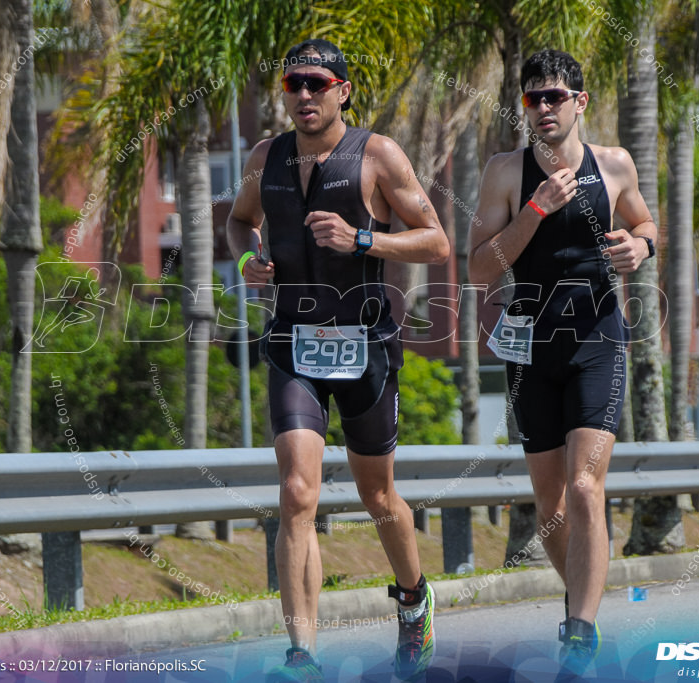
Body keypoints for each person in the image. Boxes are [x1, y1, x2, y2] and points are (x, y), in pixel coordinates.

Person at [226, 38, 449, 683]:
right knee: (298, 492)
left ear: (342, 90)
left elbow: (435, 241)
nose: (303, 95)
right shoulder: (264, 157)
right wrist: (248, 262)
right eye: (293, 84)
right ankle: (302, 654)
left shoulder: (376, 156)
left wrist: (362, 239)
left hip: (367, 343)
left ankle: (413, 599)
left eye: (316, 84)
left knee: (379, 495)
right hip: (293, 340)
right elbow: (240, 222)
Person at [467, 49, 658, 674]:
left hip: (598, 337)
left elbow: (645, 222)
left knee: (584, 486)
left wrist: (641, 245)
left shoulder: (614, 165)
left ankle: (579, 628)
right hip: (531, 345)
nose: (543, 108)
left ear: (581, 102)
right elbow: (478, 267)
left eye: (555, 97)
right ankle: (581, 601)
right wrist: (537, 209)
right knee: (548, 504)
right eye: (532, 98)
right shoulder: (505, 172)